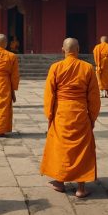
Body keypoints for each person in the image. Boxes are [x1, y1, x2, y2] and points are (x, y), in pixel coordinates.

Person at [40, 38, 100, 197]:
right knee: (82, 149)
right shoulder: (87, 68)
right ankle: (81, 187)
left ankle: (60, 182)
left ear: (63, 50)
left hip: (61, 112)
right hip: (80, 112)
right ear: (78, 50)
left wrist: (50, 115)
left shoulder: (56, 67)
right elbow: (94, 96)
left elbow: (49, 95)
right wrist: (92, 117)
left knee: (61, 147)